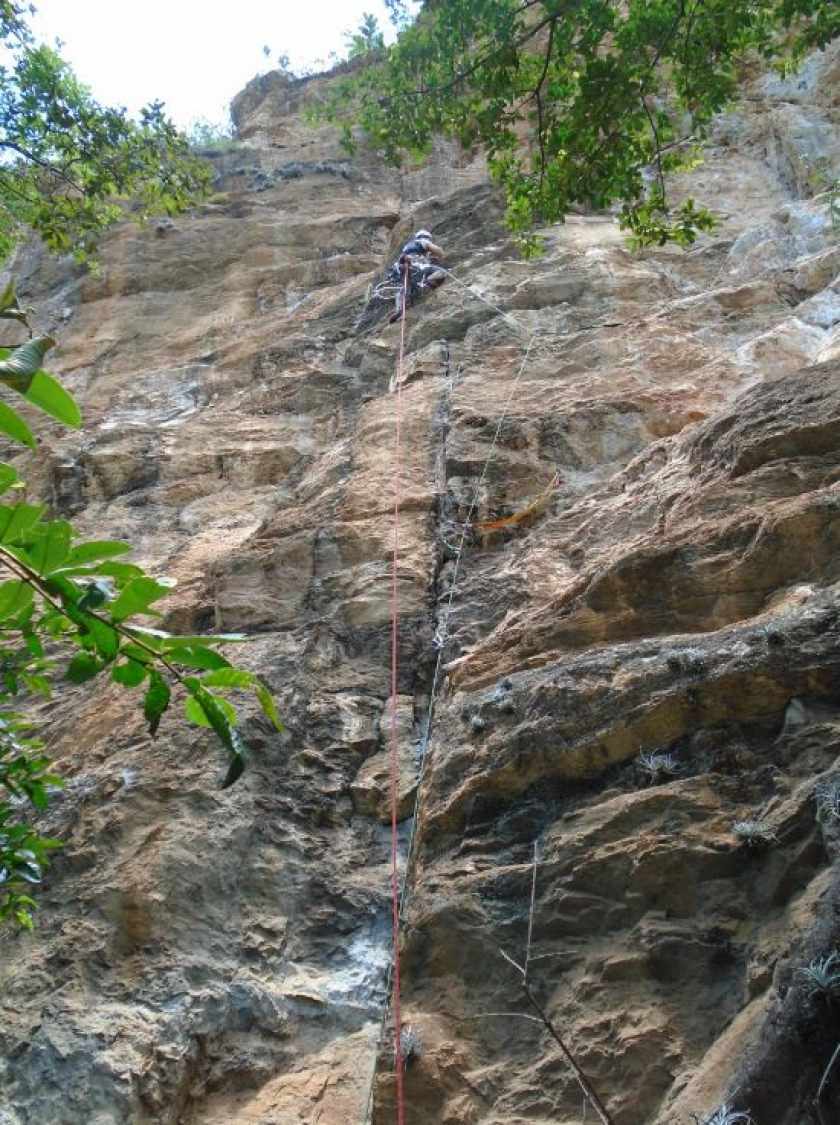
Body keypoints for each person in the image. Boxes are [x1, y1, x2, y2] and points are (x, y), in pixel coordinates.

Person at [388, 229, 445, 322]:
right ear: (427, 237)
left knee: (403, 289)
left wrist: (428, 256)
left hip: (403, 269)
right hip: (418, 267)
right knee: (441, 273)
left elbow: (413, 256)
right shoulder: (424, 241)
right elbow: (439, 252)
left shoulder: (407, 246)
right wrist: (438, 253)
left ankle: (399, 310)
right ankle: (428, 281)